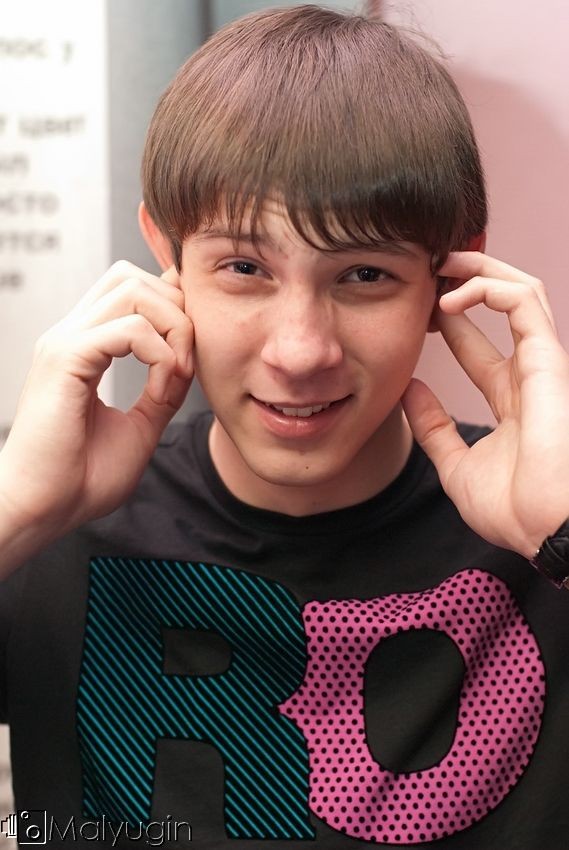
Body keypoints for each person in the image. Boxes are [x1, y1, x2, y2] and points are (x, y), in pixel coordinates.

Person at [0, 4, 568, 848]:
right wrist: (13, 513)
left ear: (448, 274)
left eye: (364, 274)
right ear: (166, 252)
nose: (300, 351)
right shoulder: (51, 527)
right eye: (243, 268)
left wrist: (559, 532)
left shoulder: (539, 539)